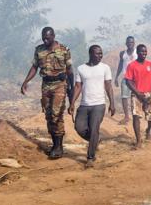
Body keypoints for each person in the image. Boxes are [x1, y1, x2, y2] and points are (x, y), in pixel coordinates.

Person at [21, 27, 73, 159]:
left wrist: (71, 88)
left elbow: (69, 70)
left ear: (53, 36)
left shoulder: (64, 49)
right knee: (49, 115)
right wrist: (25, 81)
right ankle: (55, 144)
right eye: (43, 37)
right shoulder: (39, 50)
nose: (45, 40)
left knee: (57, 114)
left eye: (48, 37)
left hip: (60, 85)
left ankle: (59, 147)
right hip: (46, 86)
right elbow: (34, 67)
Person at [68, 45, 115, 168]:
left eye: (101, 53)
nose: (100, 56)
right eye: (97, 53)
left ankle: (90, 157)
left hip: (99, 104)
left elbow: (108, 86)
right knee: (79, 128)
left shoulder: (105, 68)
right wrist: (72, 103)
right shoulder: (81, 68)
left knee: (94, 129)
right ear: (90, 54)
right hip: (84, 105)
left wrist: (112, 103)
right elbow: (78, 87)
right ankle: (95, 140)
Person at [124, 44, 151, 149]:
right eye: (141, 51)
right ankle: (138, 141)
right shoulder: (132, 65)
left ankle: (148, 130)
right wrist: (137, 93)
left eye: (145, 51)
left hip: (148, 94)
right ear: (137, 53)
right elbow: (128, 81)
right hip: (136, 94)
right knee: (136, 116)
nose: (143, 53)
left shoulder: (150, 64)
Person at [114, 36, 137, 125]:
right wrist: (116, 77)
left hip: (136, 79)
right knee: (124, 97)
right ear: (126, 43)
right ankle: (127, 116)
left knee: (136, 96)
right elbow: (121, 65)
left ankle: (136, 114)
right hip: (126, 78)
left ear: (134, 43)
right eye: (128, 42)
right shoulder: (122, 53)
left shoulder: (137, 53)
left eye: (132, 42)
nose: (130, 44)